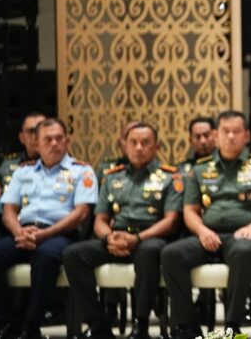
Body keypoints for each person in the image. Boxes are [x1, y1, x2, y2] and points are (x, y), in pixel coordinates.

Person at [161, 111, 251, 339]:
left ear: (247, 135)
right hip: (209, 236)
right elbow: (190, 211)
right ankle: (187, 326)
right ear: (216, 135)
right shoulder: (199, 169)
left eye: (236, 131)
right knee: (171, 254)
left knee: (242, 251)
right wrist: (202, 231)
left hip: (246, 238)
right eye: (226, 131)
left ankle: (232, 327)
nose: (231, 136)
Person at [63, 123, 183, 339]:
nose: (139, 148)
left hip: (150, 237)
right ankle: (97, 324)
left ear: (156, 147)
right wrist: (109, 237)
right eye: (133, 142)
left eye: (145, 143)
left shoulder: (170, 177)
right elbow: (100, 220)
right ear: (124, 146)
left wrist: (137, 238)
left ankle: (140, 325)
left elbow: (171, 221)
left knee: (149, 251)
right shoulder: (112, 177)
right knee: (73, 254)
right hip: (117, 238)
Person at [0, 118, 98, 339]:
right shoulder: (23, 171)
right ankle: (7, 323)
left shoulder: (82, 171)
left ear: (67, 141)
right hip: (24, 232)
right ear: (37, 144)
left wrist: (45, 234)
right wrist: (18, 232)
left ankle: (31, 325)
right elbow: (9, 210)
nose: (54, 144)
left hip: (60, 234)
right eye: (48, 139)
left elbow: (81, 213)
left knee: (45, 257)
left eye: (59, 138)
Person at [0, 113, 46, 232]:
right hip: (11, 230)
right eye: (32, 131)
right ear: (22, 138)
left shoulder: (65, 167)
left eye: (42, 130)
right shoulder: (6, 167)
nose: (37, 136)